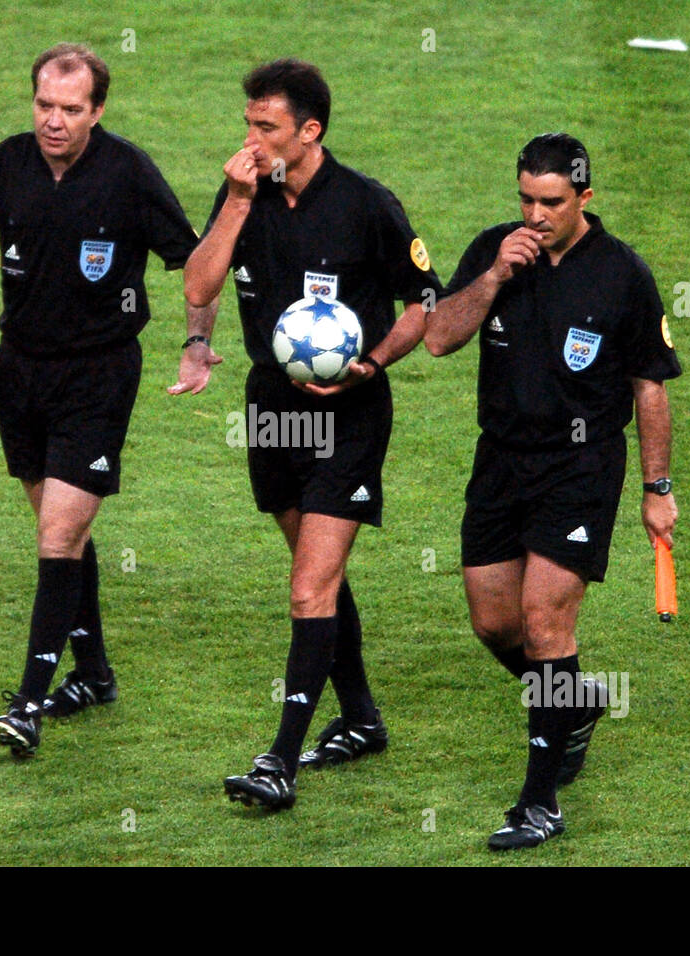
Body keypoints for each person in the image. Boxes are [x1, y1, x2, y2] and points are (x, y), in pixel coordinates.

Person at [0, 43, 201, 757]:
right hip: (19, 371)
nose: (54, 122)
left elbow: (193, 259)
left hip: (98, 373)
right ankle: (96, 675)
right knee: (64, 532)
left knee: (56, 535)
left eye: (71, 110)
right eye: (45, 106)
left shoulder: (130, 173)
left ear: (98, 111)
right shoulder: (8, 162)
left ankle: (27, 703)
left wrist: (197, 340)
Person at [177, 59, 442, 810]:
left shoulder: (365, 204)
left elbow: (425, 299)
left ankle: (279, 762)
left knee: (307, 588)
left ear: (309, 130)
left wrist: (373, 362)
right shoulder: (243, 196)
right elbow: (198, 288)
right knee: (316, 576)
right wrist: (233, 202)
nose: (252, 139)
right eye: (249, 125)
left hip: (351, 411)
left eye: (267, 127)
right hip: (273, 405)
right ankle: (360, 718)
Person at [423, 133, 681, 849]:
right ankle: (575, 702)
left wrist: (657, 488)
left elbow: (649, 388)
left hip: (581, 467)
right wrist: (494, 277)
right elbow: (439, 338)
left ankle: (539, 804)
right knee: (494, 626)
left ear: (585, 199)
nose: (536, 216)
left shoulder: (623, 274)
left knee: (544, 626)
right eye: (526, 200)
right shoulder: (495, 249)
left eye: (552, 203)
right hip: (500, 462)